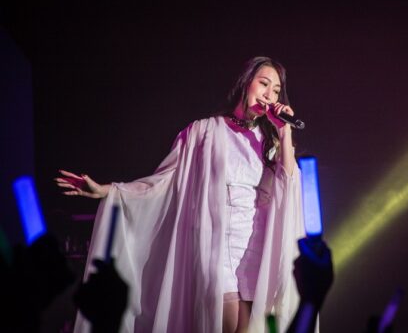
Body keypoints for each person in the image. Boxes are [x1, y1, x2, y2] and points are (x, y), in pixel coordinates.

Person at [56, 56, 305, 333]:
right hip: (216, 247)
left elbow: (290, 187)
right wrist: (107, 190)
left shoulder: (270, 144)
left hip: (255, 252)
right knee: (225, 322)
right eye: (264, 84)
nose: (269, 95)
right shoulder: (203, 131)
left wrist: (284, 132)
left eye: (276, 90)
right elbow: (163, 181)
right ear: (246, 83)